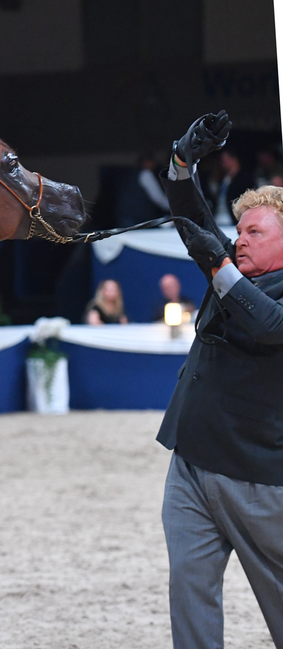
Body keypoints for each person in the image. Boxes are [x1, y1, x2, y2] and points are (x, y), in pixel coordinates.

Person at [159, 110, 283, 648]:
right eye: (239, 231)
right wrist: (182, 159)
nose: (239, 241)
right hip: (189, 462)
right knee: (189, 595)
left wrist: (220, 265)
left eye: (255, 232)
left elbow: (270, 326)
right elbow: (193, 218)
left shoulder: (232, 275)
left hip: (257, 479)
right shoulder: (229, 267)